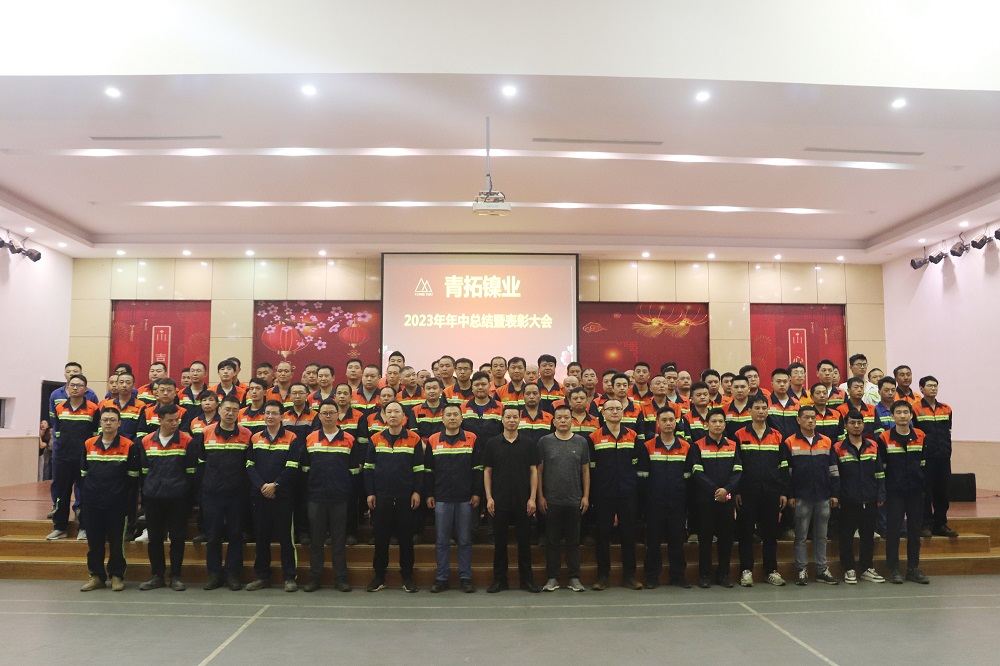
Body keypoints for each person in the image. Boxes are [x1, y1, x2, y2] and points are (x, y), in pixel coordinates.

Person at [302, 400, 361, 592]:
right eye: (324, 413)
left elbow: (354, 471)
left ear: (337, 415)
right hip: (316, 497)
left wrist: (346, 491)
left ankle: (341, 578)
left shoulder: (349, 439)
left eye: (331, 413)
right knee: (316, 540)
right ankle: (314, 577)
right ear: (319, 416)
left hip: (340, 498)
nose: (328, 416)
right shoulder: (310, 438)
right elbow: (305, 470)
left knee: (338, 540)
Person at [79, 408, 141, 591]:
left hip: (117, 504)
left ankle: (116, 576)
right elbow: (83, 474)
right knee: (94, 543)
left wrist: (126, 503)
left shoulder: (129, 446)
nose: (108, 423)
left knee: (116, 543)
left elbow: (133, 479)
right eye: (105, 419)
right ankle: (97, 576)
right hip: (93, 503)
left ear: (119, 423)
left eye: (112, 420)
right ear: (100, 422)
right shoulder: (88, 444)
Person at [196, 395, 253, 591]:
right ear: (219, 410)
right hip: (212, 494)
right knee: (213, 536)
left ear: (239, 413)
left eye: (234, 410)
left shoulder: (246, 434)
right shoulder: (206, 433)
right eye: (227, 409)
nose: (230, 413)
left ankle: (232, 574)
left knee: (236, 535)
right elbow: (201, 464)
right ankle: (214, 574)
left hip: (237, 495)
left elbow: (249, 466)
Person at [364, 401, 422, 593]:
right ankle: (379, 576)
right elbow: (369, 469)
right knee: (381, 539)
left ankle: (407, 577)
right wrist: (370, 492)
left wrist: (417, 491)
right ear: (385, 415)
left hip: (406, 497)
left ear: (404, 416)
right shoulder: (375, 438)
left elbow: (419, 469)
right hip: (382, 497)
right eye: (389, 412)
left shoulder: (414, 438)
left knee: (406, 539)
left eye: (397, 411)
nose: (393, 415)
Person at [424, 403, 483, 593]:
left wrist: (476, 492)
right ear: (442, 419)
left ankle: (466, 578)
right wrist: (429, 494)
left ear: (461, 418)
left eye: (455, 414)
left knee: (465, 540)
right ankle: (442, 578)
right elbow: (428, 471)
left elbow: (477, 469)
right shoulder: (433, 439)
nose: (452, 418)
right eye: (448, 415)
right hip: (441, 499)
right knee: (442, 541)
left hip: (465, 499)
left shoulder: (472, 438)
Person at [138, 403, 196, 591]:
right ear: (160, 420)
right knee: (155, 538)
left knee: (177, 538)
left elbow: (191, 472)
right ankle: (157, 575)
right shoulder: (146, 441)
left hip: (178, 498)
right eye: (170, 420)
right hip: (153, 498)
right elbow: (144, 471)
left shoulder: (187, 440)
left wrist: (186, 496)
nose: (175, 423)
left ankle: (176, 576)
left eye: (176, 420)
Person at [246, 401, 302, 592]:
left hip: (283, 496)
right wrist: (262, 486)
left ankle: (289, 577)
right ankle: (262, 577)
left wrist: (275, 485)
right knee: (261, 537)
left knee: (286, 538)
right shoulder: (255, 438)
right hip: (260, 495)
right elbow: (249, 465)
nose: (270, 416)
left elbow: (292, 466)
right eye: (267, 413)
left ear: (281, 416)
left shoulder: (292, 437)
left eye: (274, 413)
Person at [638, 407, 696, 589]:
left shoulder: (686, 447)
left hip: (678, 504)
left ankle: (678, 576)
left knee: (677, 541)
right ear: (658, 423)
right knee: (653, 542)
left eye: (671, 419)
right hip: (654, 504)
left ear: (676, 422)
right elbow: (643, 479)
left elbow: (689, 478)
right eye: (664, 420)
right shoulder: (647, 446)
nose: (668, 423)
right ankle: (651, 576)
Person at [484, 406, 540, 593]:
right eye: (508, 417)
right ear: (502, 419)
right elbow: (487, 472)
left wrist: (532, 498)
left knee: (524, 543)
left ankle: (527, 580)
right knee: (500, 543)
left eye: (515, 417)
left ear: (519, 419)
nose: (511, 420)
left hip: (523, 501)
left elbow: (533, 471)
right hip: (499, 501)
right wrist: (489, 498)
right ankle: (500, 580)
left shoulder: (528, 443)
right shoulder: (492, 443)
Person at [589, 397, 643, 590]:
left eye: (618, 408)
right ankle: (602, 576)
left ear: (623, 412)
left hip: (628, 494)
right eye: (610, 409)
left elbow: (638, 465)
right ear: (603, 413)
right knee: (602, 536)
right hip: (603, 494)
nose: (614, 412)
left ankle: (630, 576)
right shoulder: (594, 437)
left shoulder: (633, 436)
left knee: (628, 535)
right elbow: (591, 469)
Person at [782, 405, 839, 586]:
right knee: (800, 536)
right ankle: (801, 570)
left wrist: (835, 494)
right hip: (801, 496)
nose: (810, 420)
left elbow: (833, 470)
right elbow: (787, 473)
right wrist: (790, 495)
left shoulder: (826, 441)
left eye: (813, 417)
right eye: (806, 417)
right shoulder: (790, 442)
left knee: (821, 536)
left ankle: (821, 570)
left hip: (823, 496)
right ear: (798, 420)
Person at [734, 395, 787, 587]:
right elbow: (736, 466)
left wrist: (783, 492)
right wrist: (736, 491)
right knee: (746, 533)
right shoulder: (739, 435)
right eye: (757, 408)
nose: (761, 411)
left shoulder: (777, 436)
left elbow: (783, 466)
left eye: (764, 408)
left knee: (770, 534)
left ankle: (771, 570)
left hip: (771, 492)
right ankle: (746, 570)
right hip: (747, 492)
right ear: (749, 411)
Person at [537, 405, 590, 592]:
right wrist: (540, 496)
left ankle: (574, 578)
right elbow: (539, 471)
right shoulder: (544, 442)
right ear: (553, 421)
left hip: (574, 500)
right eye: (559, 418)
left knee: (573, 541)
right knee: (551, 541)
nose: (562, 421)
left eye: (566, 417)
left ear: (572, 420)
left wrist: (585, 496)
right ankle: (552, 578)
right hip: (551, 500)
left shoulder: (581, 442)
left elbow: (585, 471)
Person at [879, 400, 930, 584]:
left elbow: (924, 465)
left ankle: (913, 569)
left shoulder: (921, 436)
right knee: (893, 532)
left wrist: (923, 488)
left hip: (916, 492)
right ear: (892, 416)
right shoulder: (884, 438)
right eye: (898, 412)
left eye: (905, 412)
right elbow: (882, 469)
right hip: (894, 493)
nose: (902, 416)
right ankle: (893, 569)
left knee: (915, 531)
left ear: (911, 415)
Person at [832, 410, 886, 584]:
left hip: (869, 498)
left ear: (863, 425)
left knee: (868, 535)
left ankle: (866, 568)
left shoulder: (873, 445)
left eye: (859, 423)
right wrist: (836, 496)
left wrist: (880, 493)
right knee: (846, 536)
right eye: (852, 423)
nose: (856, 426)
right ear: (846, 425)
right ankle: (848, 569)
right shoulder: (838, 448)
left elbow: (879, 472)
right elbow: (835, 475)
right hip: (847, 500)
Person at [693, 408, 741, 589]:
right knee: (705, 539)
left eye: (721, 421)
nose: (718, 424)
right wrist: (715, 491)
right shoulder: (697, 445)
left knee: (726, 539)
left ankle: (724, 575)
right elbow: (697, 472)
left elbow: (738, 471)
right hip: (706, 500)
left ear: (725, 424)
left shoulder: (733, 445)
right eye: (714, 421)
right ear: (707, 424)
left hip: (727, 499)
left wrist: (726, 491)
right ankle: (705, 575)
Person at [49, 374, 100, 541]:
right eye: (72, 385)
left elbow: (95, 435)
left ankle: (84, 528)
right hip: (63, 459)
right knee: (61, 494)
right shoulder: (59, 407)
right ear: (68, 387)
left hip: (84, 459)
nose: (75, 388)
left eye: (79, 385)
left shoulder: (93, 408)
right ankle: (60, 527)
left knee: (85, 494)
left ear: (85, 389)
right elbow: (57, 432)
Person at [913, 376, 958, 538]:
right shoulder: (915, 409)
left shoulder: (946, 408)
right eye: (930, 386)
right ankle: (925, 524)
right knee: (926, 492)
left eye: (935, 386)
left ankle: (940, 524)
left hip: (943, 457)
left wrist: (946, 450)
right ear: (921, 389)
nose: (933, 388)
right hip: (926, 458)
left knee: (943, 492)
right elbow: (915, 433)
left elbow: (948, 432)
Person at [766, 368, 800, 441]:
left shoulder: (796, 403)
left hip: (793, 443)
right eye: (778, 381)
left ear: (789, 383)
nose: (782, 384)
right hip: (773, 443)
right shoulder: (766, 403)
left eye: (785, 381)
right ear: (772, 384)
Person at [722, 375, 752, 440]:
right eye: (736, 387)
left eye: (742, 387)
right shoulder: (724, 409)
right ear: (731, 389)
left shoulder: (756, 408)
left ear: (749, 389)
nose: (739, 390)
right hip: (730, 445)